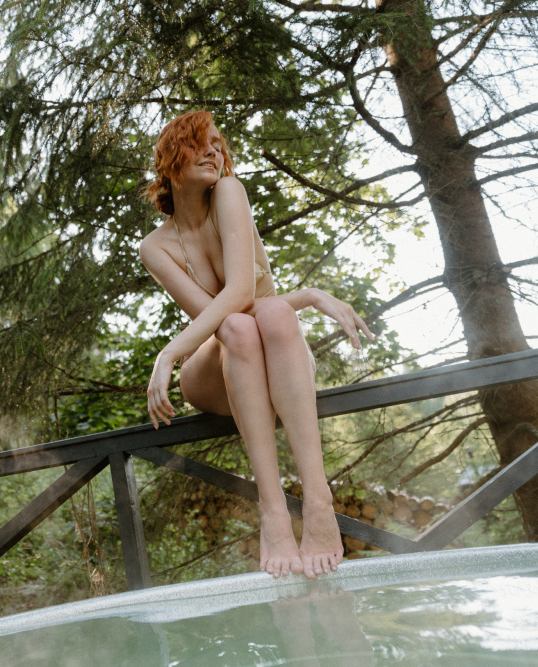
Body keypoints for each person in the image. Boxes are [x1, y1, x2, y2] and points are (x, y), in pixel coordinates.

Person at [139, 110, 374, 580]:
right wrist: (309, 296)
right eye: (198, 142)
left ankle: (318, 502)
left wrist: (169, 352)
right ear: (170, 158)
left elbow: (243, 295)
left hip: (275, 351)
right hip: (216, 368)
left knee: (271, 315)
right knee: (241, 326)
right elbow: (221, 318)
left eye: (218, 144)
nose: (213, 151)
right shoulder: (155, 247)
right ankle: (272, 510)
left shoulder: (229, 192)